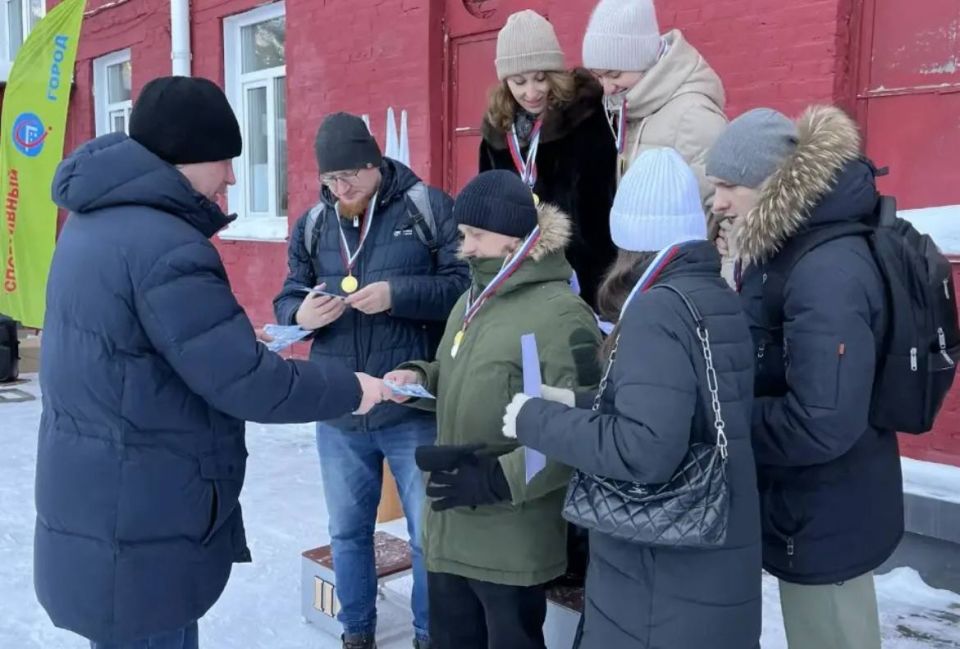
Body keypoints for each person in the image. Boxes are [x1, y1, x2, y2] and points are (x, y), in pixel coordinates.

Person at [35, 76, 388, 649]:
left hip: (107, 503)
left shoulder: (93, 222)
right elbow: (246, 382)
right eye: (222, 160)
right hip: (146, 513)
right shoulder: (165, 244)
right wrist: (352, 388)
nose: (229, 176)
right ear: (182, 157)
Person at [502, 148, 762, 649]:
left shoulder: (656, 311)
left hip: (655, 580)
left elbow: (643, 448)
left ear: (629, 235)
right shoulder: (714, 296)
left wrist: (536, 419)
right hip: (710, 562)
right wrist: (578, 402)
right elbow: (682, 409)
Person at [706, 106, 902, 649]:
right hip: (812, 500)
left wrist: (720, 416)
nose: (717, 201)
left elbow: (821, 422)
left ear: (774, 183)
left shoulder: (825, 271)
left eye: (729, 186)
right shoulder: (789, 247)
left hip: (827, 509)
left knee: (832, 634)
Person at [272, 112, 468, 649]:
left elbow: (463, 287)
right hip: (338, 406)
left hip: (409, 407)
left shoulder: (427, 208)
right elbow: (287, 295)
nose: (341, 189)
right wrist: (300, 317)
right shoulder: (314, 224)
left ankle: (430, 634)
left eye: (350, 176)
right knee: (346, 533)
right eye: (331, 181)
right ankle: (355, 631)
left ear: (373, 162)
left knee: (428, 536)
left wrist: (397, 294)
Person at [384, 170, 602, 649]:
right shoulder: (471, 298)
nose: (466, 246)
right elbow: (452, 372)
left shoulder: (561, 313)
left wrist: (498, 478)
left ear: (515, 237)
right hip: (449, 526)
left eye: (477, 235)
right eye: (463, 235)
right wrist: (419, 378)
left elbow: (582, 429)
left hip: (511, 539)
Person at [479, 9, 617, 309]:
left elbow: (606, 199)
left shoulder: (587, 118)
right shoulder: (495, 135)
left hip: (588, 277)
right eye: (519, 81)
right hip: (520, 275)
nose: (531, 92)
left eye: (541, 78)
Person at [582, 0, 728, 247]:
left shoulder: (694, 116)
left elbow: (727, 214)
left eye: (614, 74)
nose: (607, 87)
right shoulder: (632, 107)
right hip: (646, 271)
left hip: (681, 274)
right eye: (598, 76)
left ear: (644, 58)